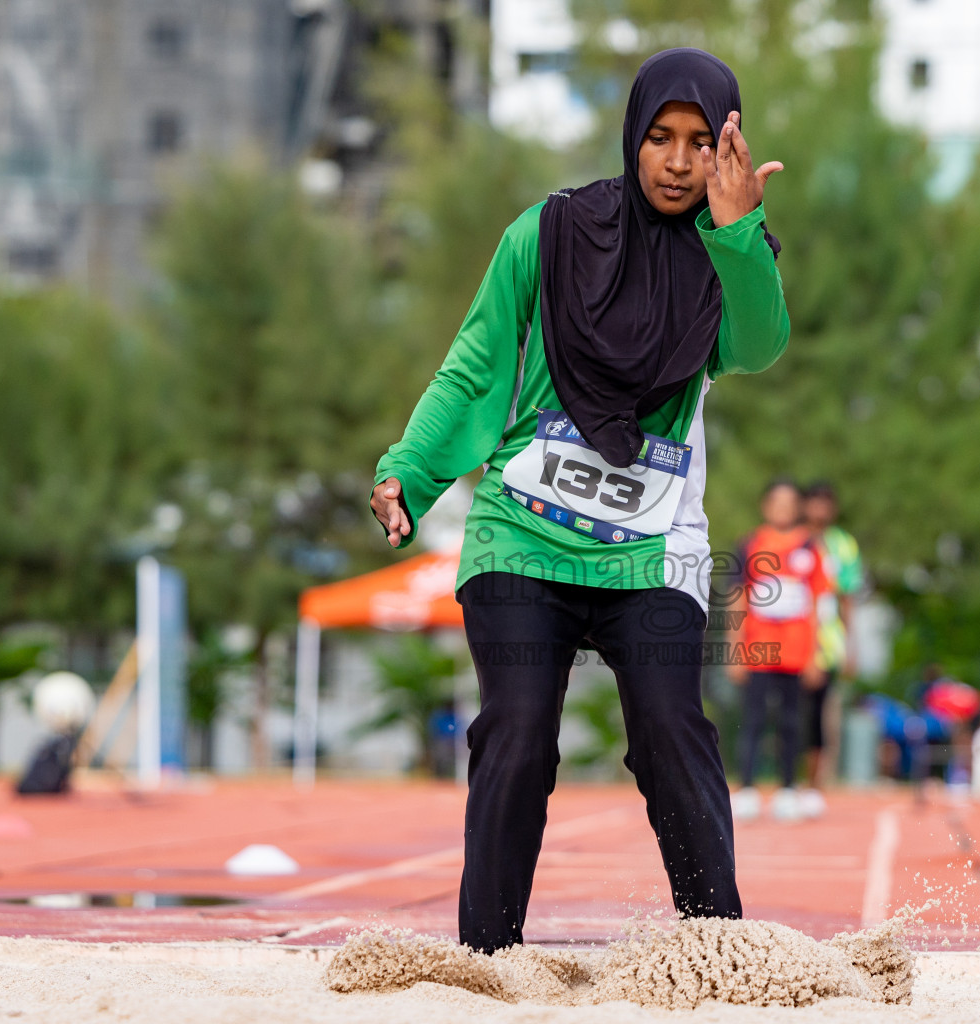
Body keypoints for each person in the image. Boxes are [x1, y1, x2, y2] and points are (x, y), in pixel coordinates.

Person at [370, 48, 788, 953]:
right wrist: (410, 467)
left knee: (673, 732)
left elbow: (757, 346)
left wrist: (738, 234)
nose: (677, 162)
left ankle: (719, 949)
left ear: (727, 145)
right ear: (632, 135)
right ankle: (486, 958)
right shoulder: (549, 231)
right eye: (659, 138)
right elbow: (477, 362)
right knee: (517, 734)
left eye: (697, 142)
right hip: (522, 531)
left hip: (652, 547)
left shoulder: (730, 248)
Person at [727, 479, 830, 822]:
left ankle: (788, 788)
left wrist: (817, 654)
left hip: (797, 650)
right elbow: (737, 598)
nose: (783, 508)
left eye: (790, 502)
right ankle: (747, 788)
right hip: (758, 648)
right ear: (766, 506)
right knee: (753, 721)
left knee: (791, 722)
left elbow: (819, 602)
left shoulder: (811, 547)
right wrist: (735, 649)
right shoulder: (750, 544)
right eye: (777, 502)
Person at [798, 481, 865, 818]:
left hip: (826, 644)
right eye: (814, 502)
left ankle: (814, 785)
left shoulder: (843, 545)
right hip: (788, 642)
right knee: (786, 714)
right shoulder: (791, 539)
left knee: (817, 716)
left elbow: (848, 598)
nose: (819, 510)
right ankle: (785, 782)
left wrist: (853, 645)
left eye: (826, 503)